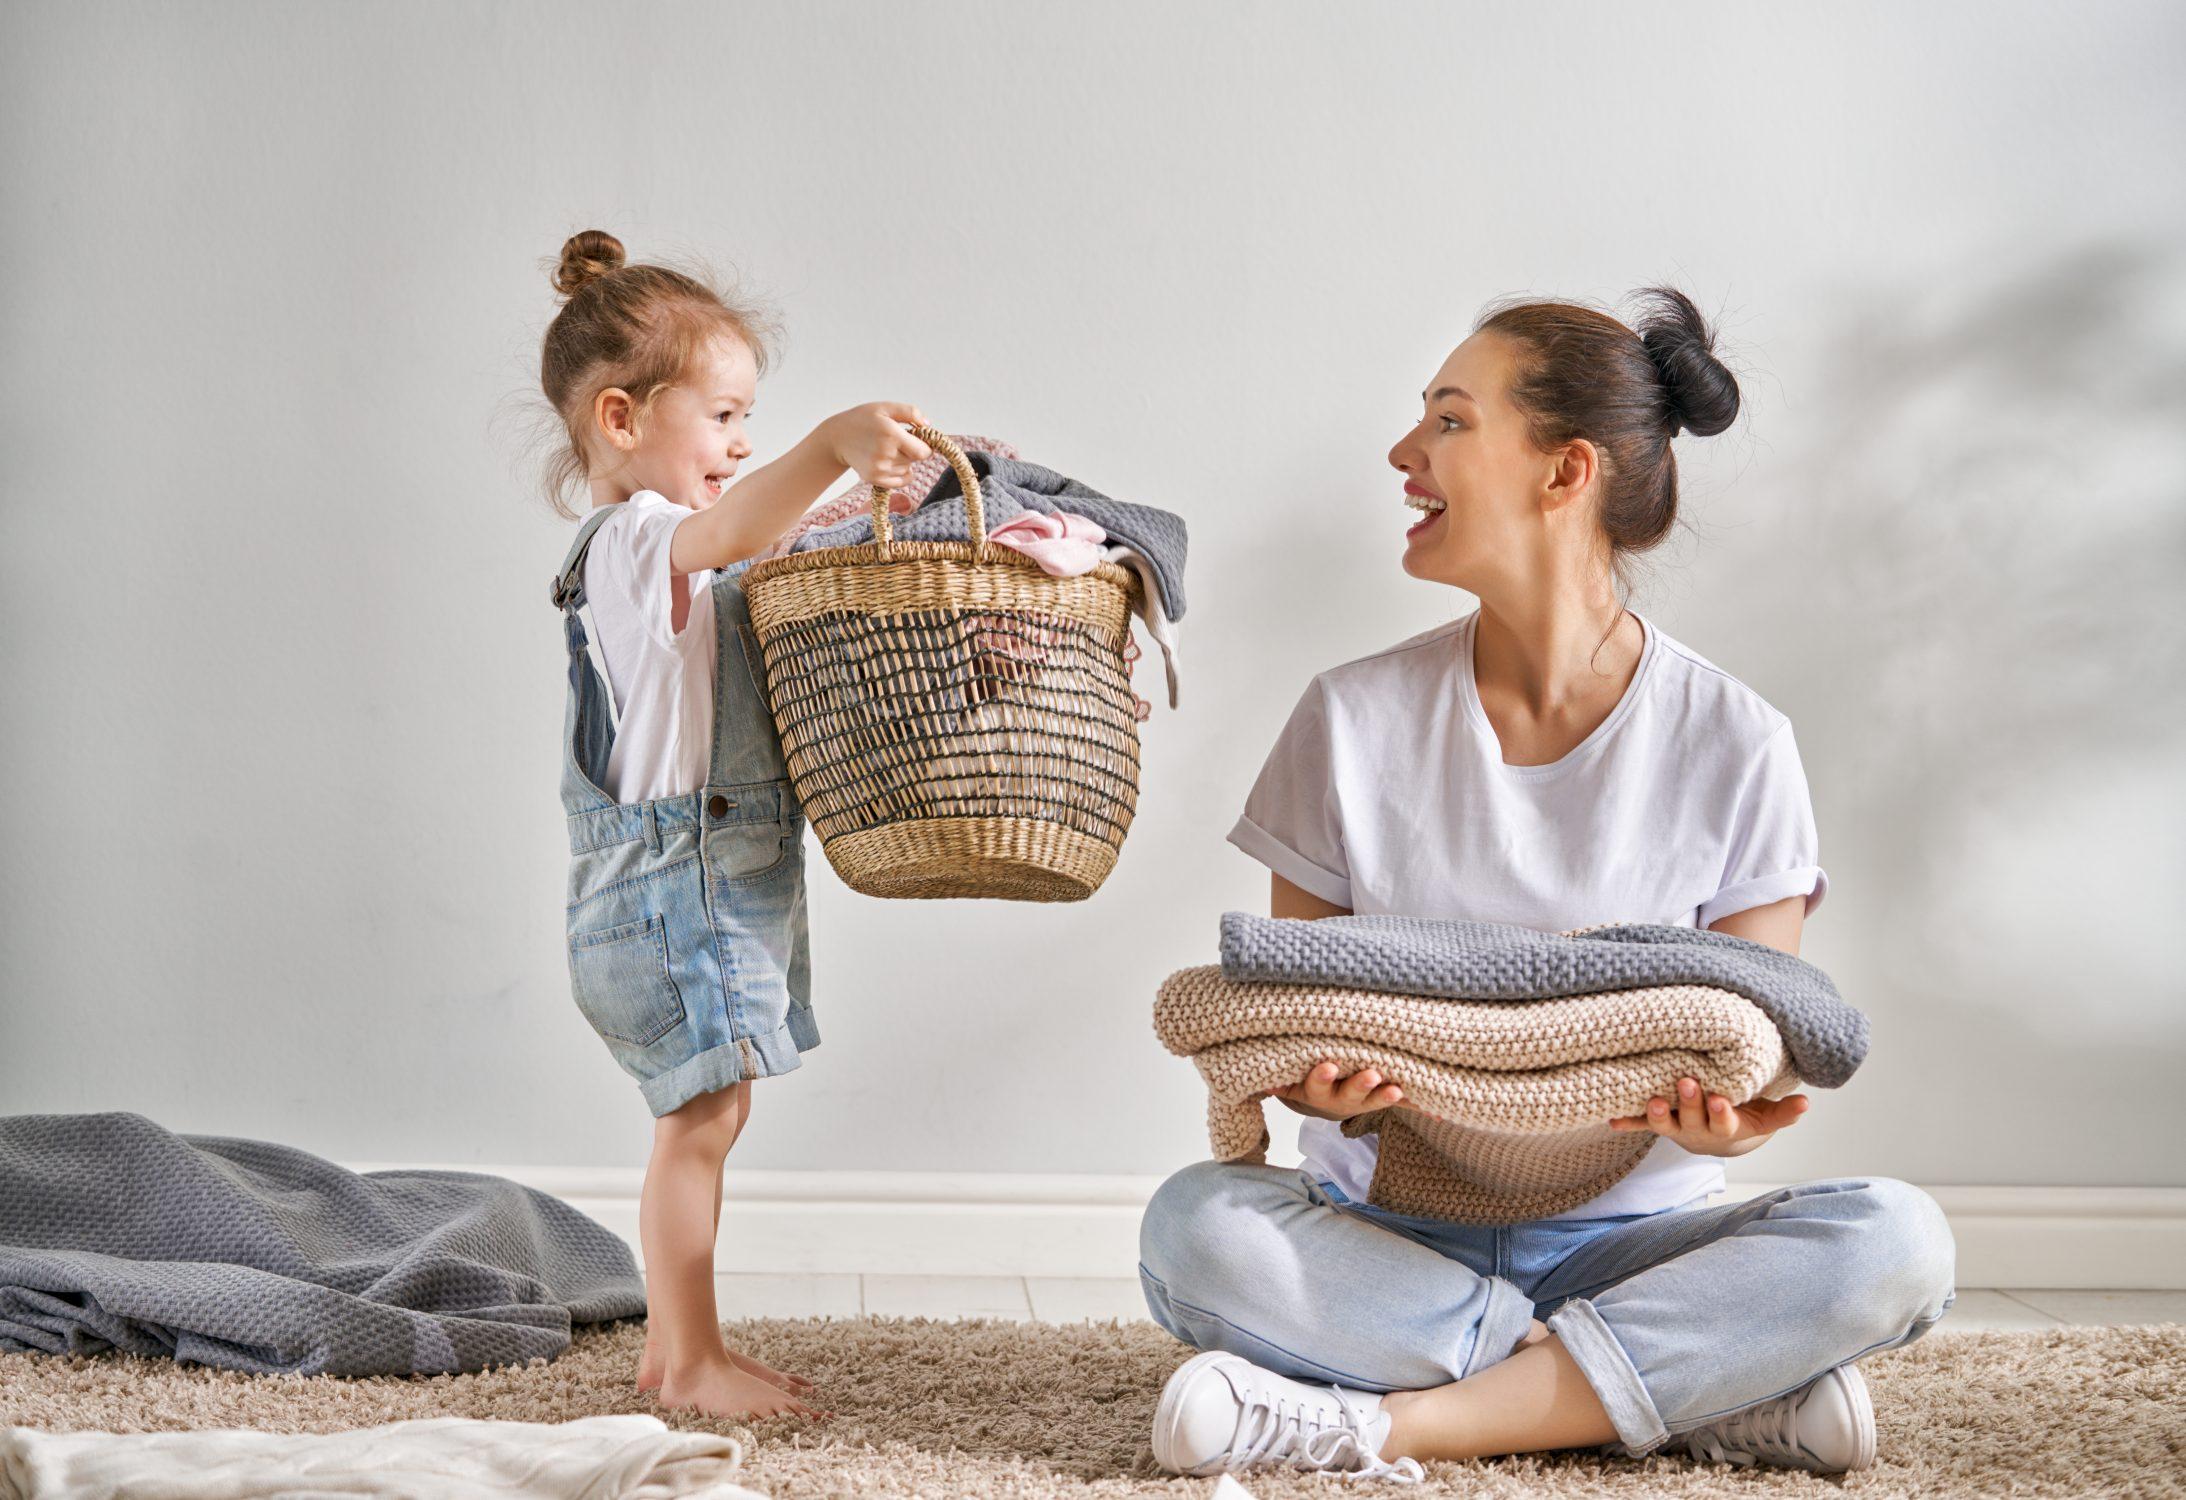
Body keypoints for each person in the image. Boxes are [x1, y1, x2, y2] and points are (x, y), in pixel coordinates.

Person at [1139, 288, 1957, 1481]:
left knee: (1895, 1241)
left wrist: (1737, 1116)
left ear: (1562, 471)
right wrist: (1323, 1095)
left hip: (1639, 1239)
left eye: (1450, 422)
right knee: (1191, 1228)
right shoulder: (1349, 718)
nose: (1402, 454)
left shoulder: (1733, 740)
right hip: (1389, 1236)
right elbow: (1293, 1017)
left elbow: (1758, 1043)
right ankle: (1678, 1394)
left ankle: (1387, 1422)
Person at [537, 229, 929, 1419]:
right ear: (621, 419)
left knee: (710, 1112)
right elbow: (737, 529)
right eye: (722, 415)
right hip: (669, 891)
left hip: (702, 880)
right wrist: (826, 446)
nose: (744, 440)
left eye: (751, 418)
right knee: (698, 1120)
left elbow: (751, 553)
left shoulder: (673, 565)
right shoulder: (631, 543)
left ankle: (673, 1351)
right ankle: (694, 1357)